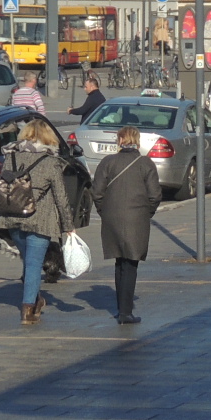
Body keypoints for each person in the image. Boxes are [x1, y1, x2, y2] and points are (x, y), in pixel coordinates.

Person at [0, 119, 74, 325]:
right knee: (33, 264)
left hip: (13, 217)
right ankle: (27, 310)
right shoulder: (50, 162)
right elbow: (61, 197)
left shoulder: (10, 157)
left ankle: (35, 300)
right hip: (41, 220)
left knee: (29, 262)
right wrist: (68, 227)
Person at [91, 124, 160, 325]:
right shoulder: (145, 164)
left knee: (119, 262)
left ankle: (121, 309)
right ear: (136, 141)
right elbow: (155, 195)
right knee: (131, 263)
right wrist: (147, 213)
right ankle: (125, 312)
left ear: (120, 141)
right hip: (137, 218)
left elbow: (96, 192)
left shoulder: (107, 162)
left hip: (111, 217)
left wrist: (104, 211)